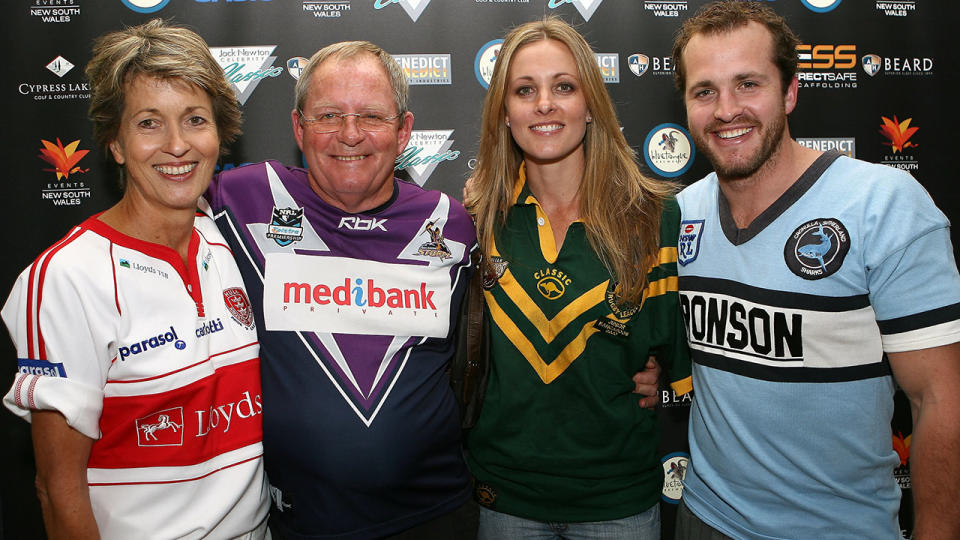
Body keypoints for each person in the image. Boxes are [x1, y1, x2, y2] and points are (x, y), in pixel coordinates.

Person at [671, 2, 960, 539]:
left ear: (790, 92)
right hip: (704, 518)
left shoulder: (882, 204)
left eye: (748, 84)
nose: (726, 109)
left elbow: (940, 397)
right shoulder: (681, 213)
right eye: (704, 91)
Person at [2, 20, 269, 539]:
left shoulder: (228, 243)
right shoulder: (66, 279)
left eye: (195, 119)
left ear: (220, 133)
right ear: (116, 144)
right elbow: (59, 491)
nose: (177, 145)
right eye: (149, 123)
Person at [204, 42, 479, 539]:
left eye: (371, 115)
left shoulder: (451, 224)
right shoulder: (238, 198)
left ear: (404, 131)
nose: (350, 135)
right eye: (328, 115)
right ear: (298, 128)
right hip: (299, 522)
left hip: (434, 516)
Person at [463, 17, 692, 539]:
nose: (544, 104)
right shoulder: (472, 220)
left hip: (618, 502)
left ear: (590, 105)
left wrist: (652, 371)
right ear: (504, 112)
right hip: (503, 499)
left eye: (563, 86)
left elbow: (676, 358)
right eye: (525, 90)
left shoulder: (654, 217)